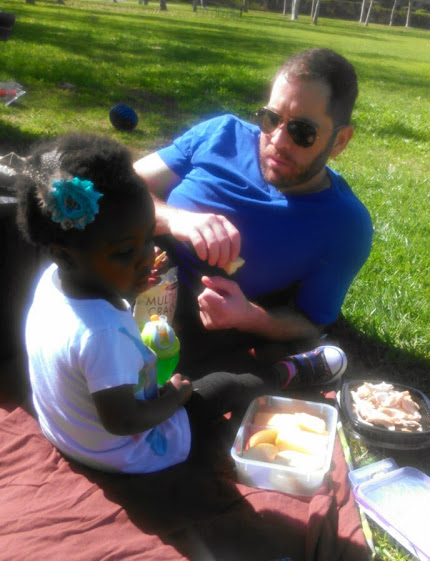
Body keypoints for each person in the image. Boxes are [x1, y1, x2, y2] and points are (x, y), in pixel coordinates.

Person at [16, 133, 347, 475]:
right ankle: (284, 374)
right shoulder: (102, 334)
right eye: (126, 252)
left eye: (149, 238)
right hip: (128, 451)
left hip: (69, 432)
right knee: (225, 384)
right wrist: (175, 396)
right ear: (66, 255)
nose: (147, 257)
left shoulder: (55, 281)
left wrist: (131, 282)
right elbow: (124, 420)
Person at [134, 48, 373, 378]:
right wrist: (175, 218)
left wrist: (249, 316)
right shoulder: (221, 134)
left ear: (339, 141)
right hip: (125, 275)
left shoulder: (345, 225)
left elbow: (311, 322)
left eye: (302, 132)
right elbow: (122, 184)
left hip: (193, 335)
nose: (277, 141)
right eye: (272, 118)